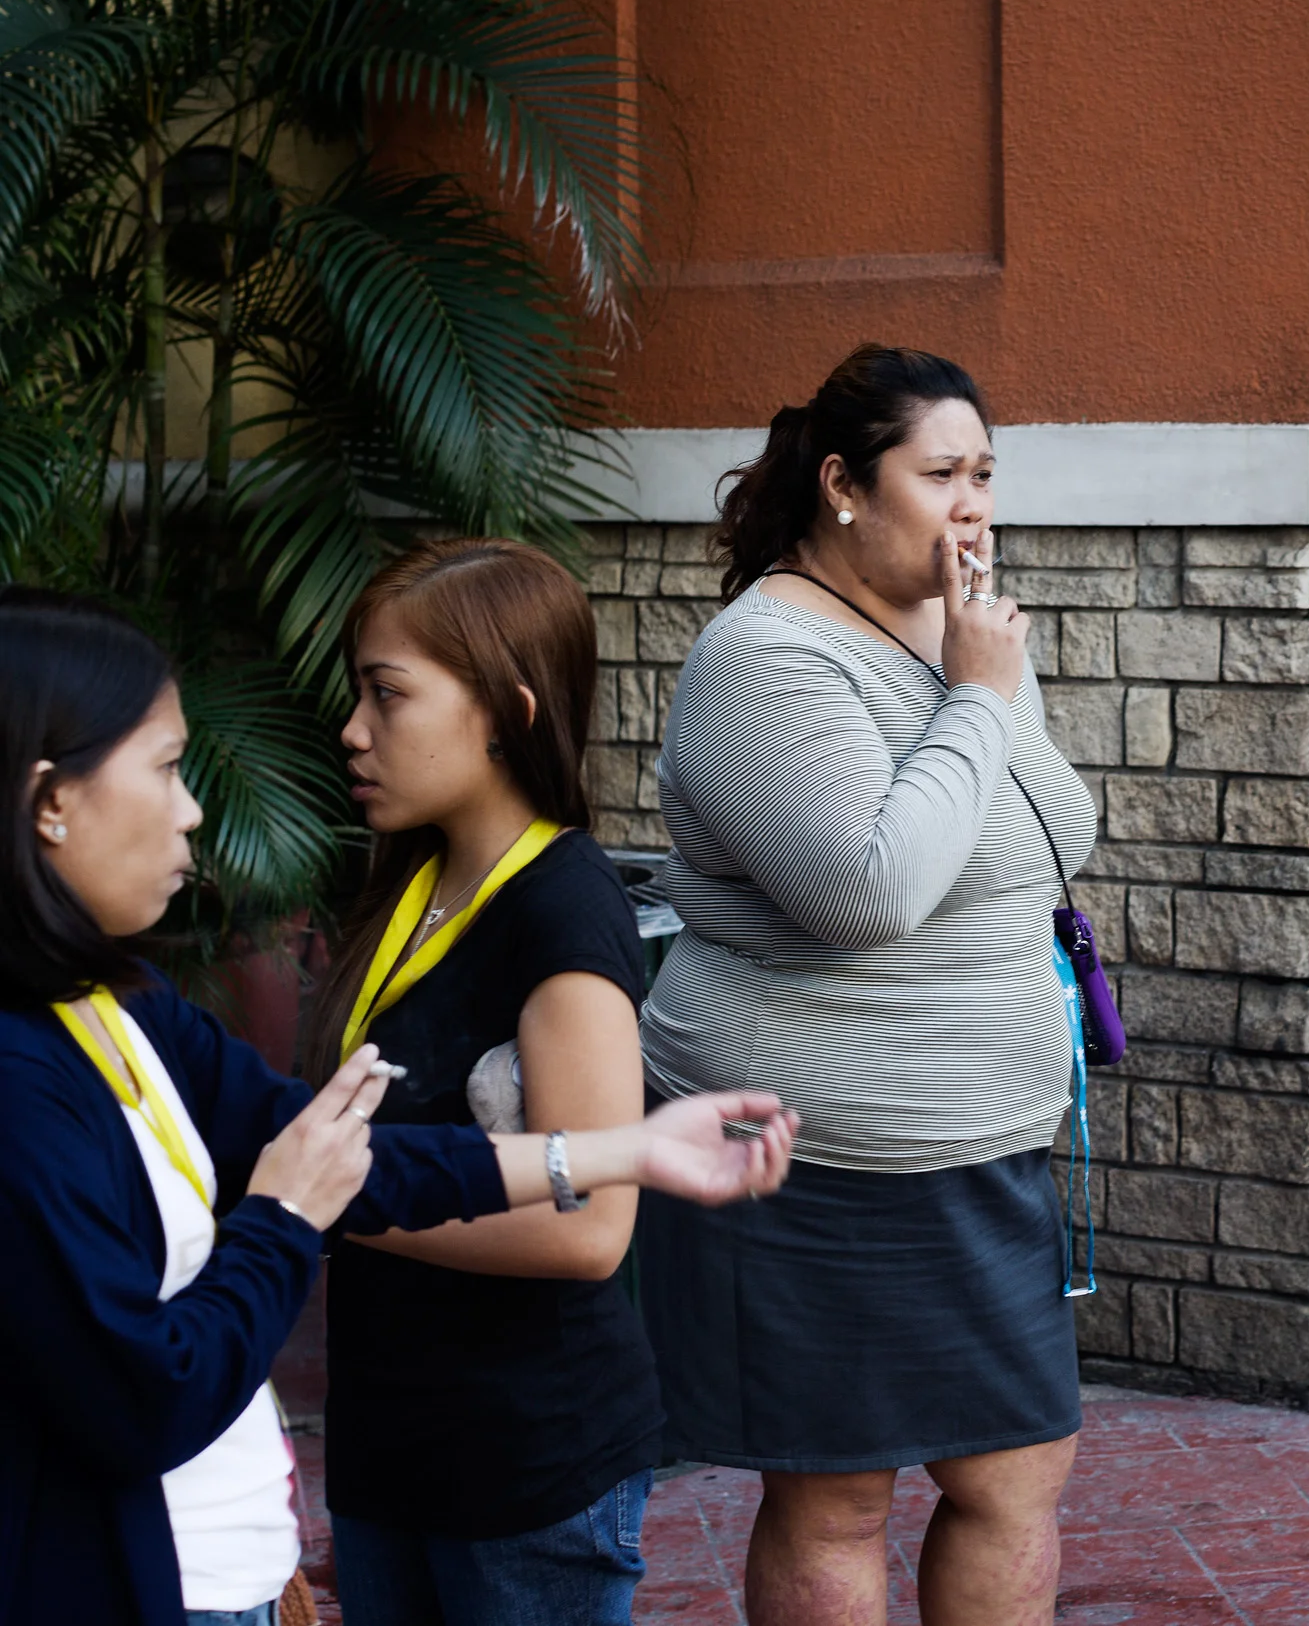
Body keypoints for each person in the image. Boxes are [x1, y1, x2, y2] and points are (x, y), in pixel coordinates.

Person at [0, 587, 796, 1626]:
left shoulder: (126, 1006)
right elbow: (173, 1351)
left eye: (388, 695)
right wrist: (291, 1212)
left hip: (508, 1455)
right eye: (165, 768)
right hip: (335, 1482)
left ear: (502, 715)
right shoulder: (35, 1070)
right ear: (48, 801)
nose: (195, 806)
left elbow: (365, 1161)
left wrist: (619, 1150)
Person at [635, 343, 1099, 1626]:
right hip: (825, 1157)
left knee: (1016, 1476)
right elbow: (868, 891)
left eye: (986, 474)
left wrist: (982, 688)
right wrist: (977, 698)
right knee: (838, 1499)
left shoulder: (961, 638)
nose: (974, 506)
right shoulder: (764, 658)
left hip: (985, 1147)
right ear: (842, 482)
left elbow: (1063, 818)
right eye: (940, 472)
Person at [299, 539, 686, 1624]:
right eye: (357, 693)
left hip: (527, 1466)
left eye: (389, 696)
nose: (354, 731)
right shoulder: (406, 879)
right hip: (390, 1448)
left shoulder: (563, 908)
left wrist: (333, 1200)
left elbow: (588, 1230)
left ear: (507, 711)